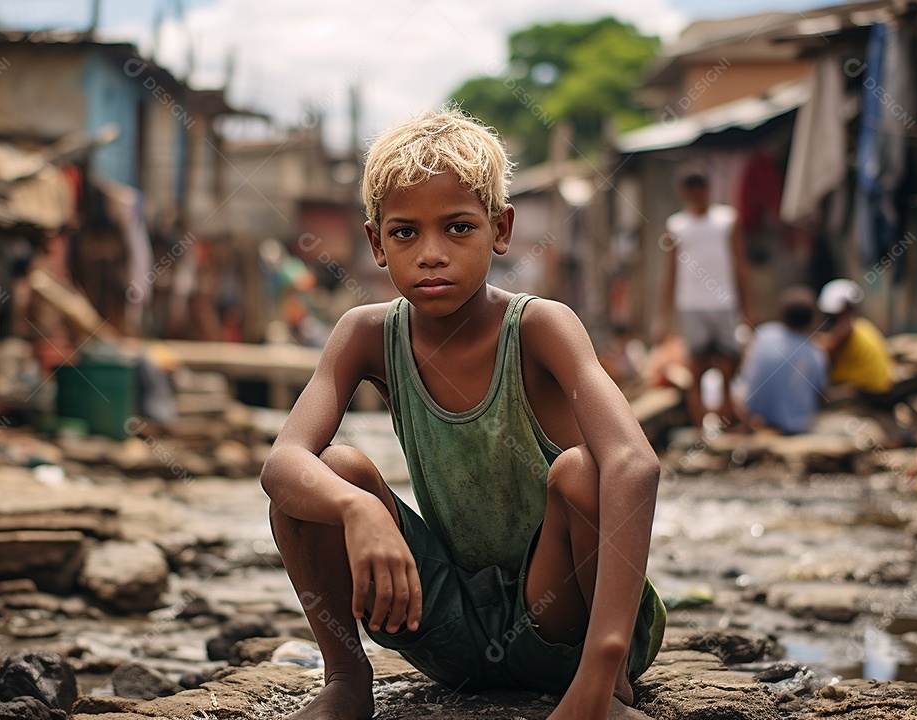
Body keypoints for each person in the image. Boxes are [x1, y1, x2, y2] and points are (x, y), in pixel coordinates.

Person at [261, 108, 665, 720]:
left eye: (457, 228)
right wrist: (359, 508)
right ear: (375, 243)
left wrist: (602, 663)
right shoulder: (365, 334)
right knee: (330, 470)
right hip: (451, 627)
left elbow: (636, 465)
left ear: (500, 230)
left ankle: (604, 690)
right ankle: (345, 678)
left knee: (583, 472)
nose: (431, 255)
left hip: (564, 623)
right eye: (404, 234)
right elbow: (282, 463)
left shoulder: (539, 327)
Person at [654, 166, 752, 431]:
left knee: (726, 367)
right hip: (691, 305)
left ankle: (726, 424)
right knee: (696, 369)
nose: (697, 197)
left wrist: (748, 308)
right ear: (683, 193)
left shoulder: (726, 220)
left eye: (700, 191)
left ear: (707, 190)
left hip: (723, 302)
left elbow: (740, 264)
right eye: (691, 192)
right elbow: (671, 272)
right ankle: (701, 431)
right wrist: (663, 316)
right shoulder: (677, 226)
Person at [736, 287, 827, 434]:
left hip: (755, 415)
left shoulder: (764, 333)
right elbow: (820, 391)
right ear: (812, 318)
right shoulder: (816, 352)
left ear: (782, 315)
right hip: (797, 424)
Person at [816, 278, 893, 394]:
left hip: (868, 390)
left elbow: (825, 352)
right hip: (880, 385)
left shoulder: (846, 329)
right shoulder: (863, 324)